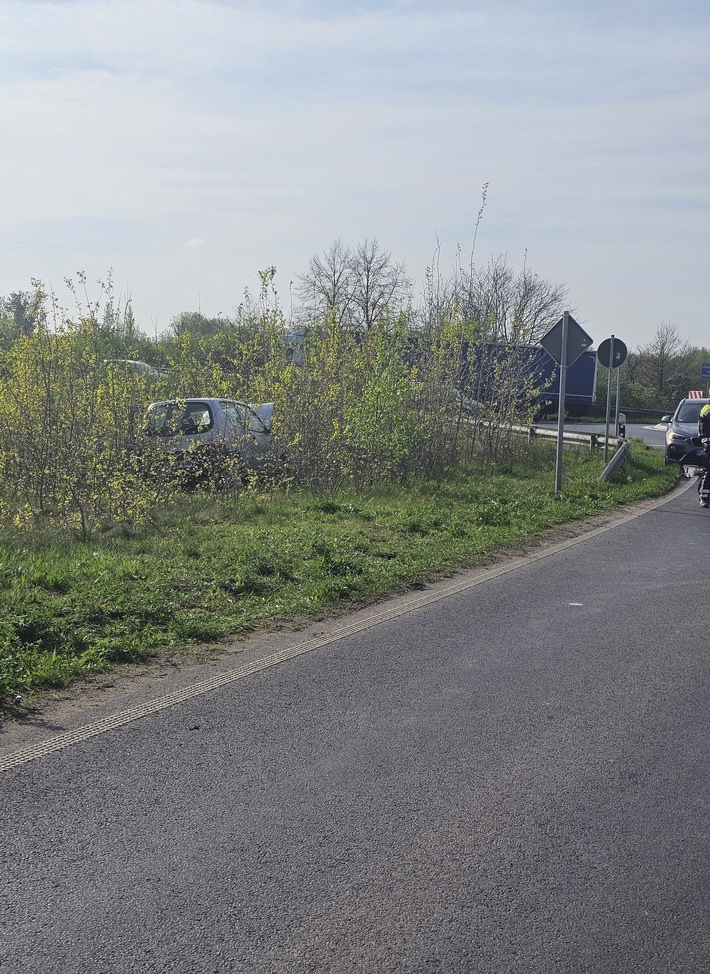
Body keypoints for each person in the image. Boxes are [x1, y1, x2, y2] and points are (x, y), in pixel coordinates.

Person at [698, 403, 710, 507]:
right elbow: (702, 429)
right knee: (708, 471)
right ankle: (704, 497)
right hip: (709, 444)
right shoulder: (707, 409)